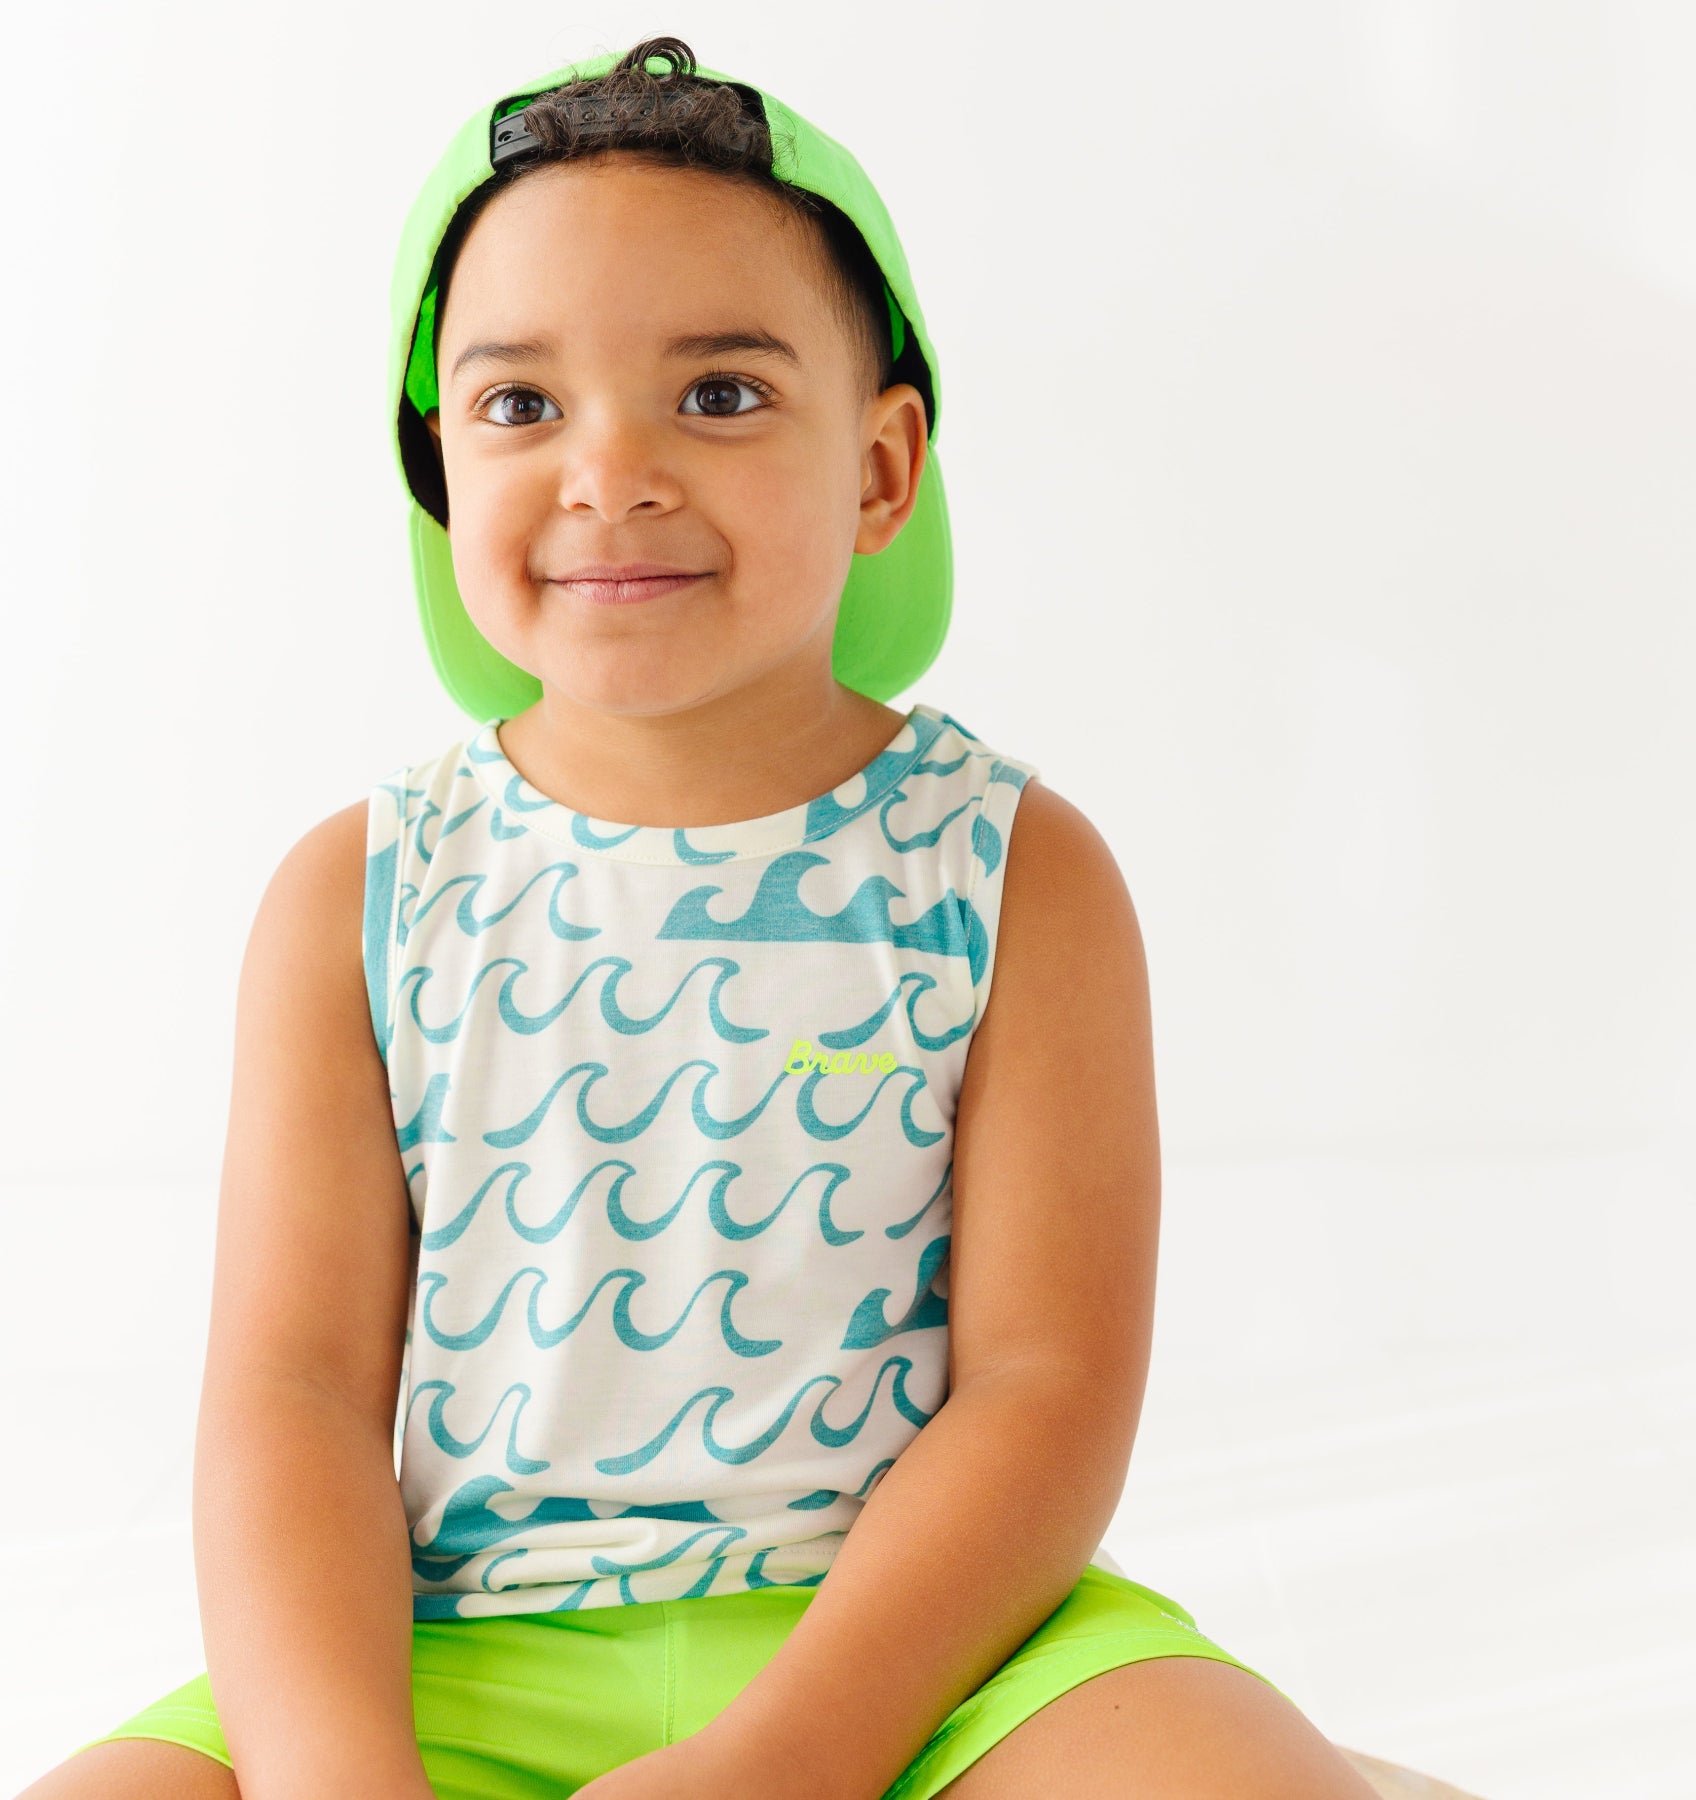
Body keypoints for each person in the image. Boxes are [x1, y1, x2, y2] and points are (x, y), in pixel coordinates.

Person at [21, 35, 1382, 1800]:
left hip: (923, 1661)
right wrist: (335, 1775)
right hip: (448, 1659)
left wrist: (793, 1756)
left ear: (884, 468)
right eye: (522, 405)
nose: (612, 473)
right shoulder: (356, 896)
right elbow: (288, 1400)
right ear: (438, 461)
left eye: (721, 394)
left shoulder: (1013, 871)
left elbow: (1043, 1388)